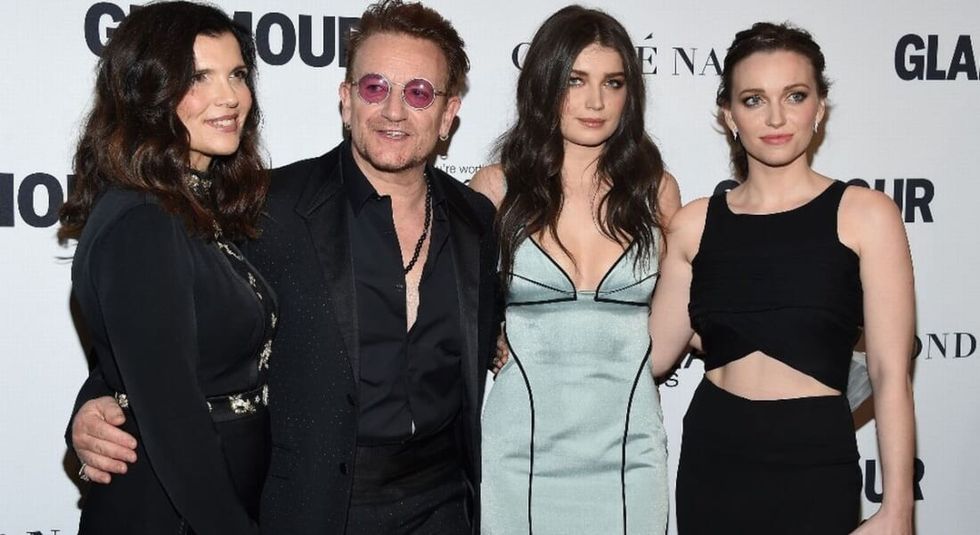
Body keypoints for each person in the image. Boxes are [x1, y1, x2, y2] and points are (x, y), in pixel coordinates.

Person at [68, 1, 499, 533]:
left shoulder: (476, 221)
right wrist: (94, 403)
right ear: (345, 100)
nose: (393, 110)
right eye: (373, 88)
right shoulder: (267, 208)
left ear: (448, 112)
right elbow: (159, 326)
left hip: (442, 505)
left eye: (418, 93)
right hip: (317, 507)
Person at [648, 22, 916, 534]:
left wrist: (898, 508)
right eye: (753, 100)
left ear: (819, 108)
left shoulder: (866, 215)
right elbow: (655, 354)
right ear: (728, 115)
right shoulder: (695, 223)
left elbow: (888, 373)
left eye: (794, 96)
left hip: (815, 459)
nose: (775, 117)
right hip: (714, 455)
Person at [58, 2, 271, 533]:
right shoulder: (142, 223)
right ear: (148, 93)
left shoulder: (194, 204)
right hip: (171, 512)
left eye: (237, 75)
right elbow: (175, 424)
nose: (229, 97)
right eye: (199, 77)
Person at [470, 6, 680, 534]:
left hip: (632, 457)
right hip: (520, 454)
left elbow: (696, 309)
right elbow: (450, 308)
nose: (595, 102)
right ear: (545, 84)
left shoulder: (656, 191)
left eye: (613, 83)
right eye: (576, 80)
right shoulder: (497, 189)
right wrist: (488, 335)